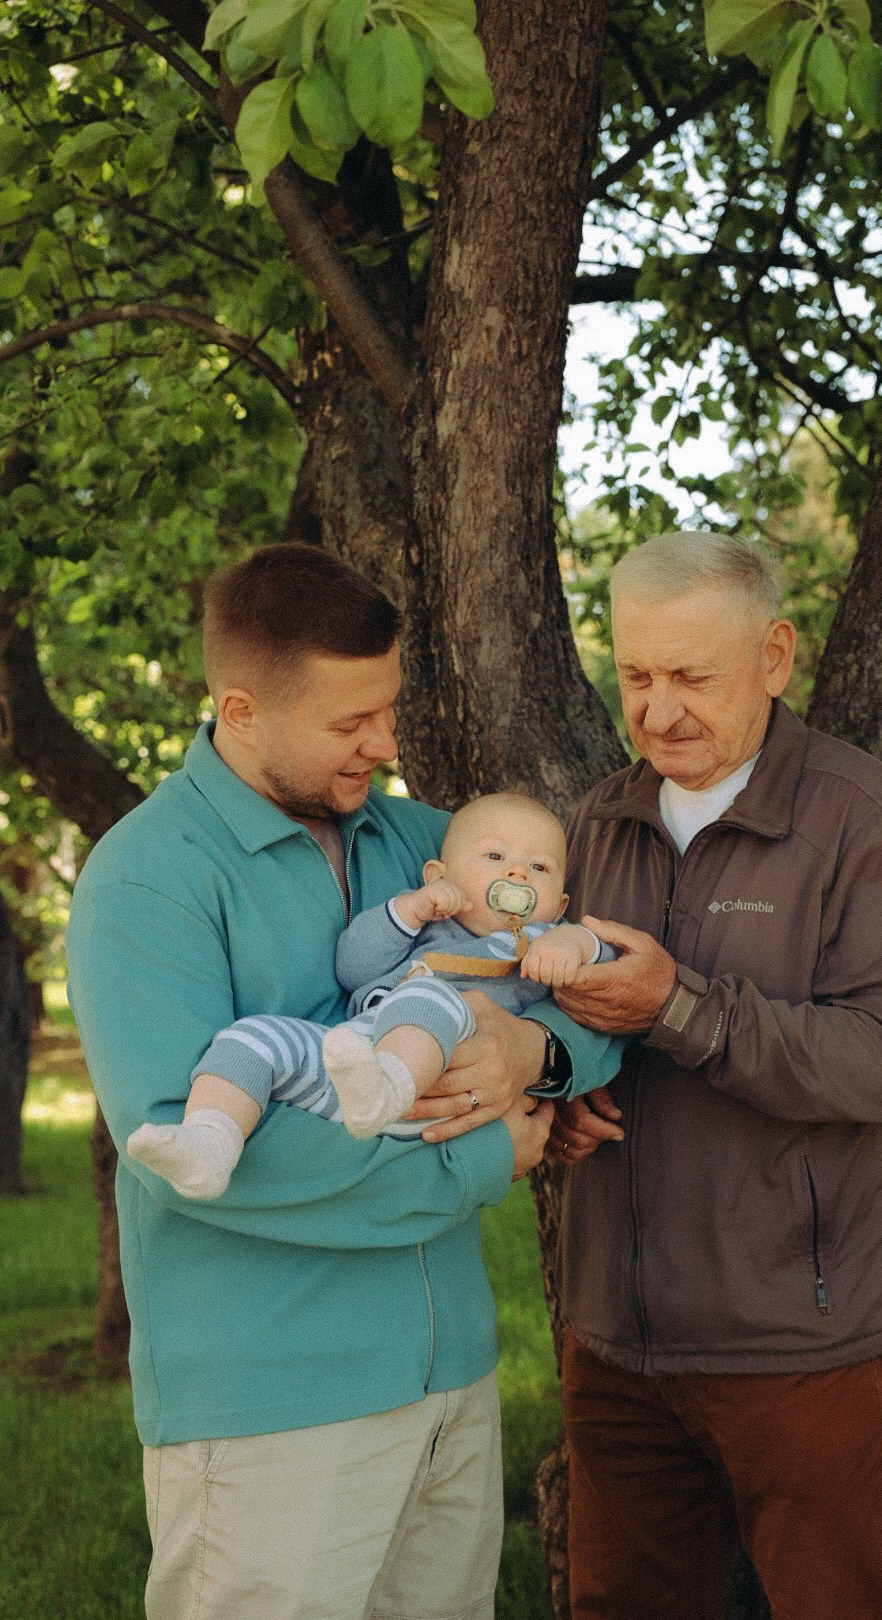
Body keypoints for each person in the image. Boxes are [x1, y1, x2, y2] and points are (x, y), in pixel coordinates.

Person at [65, 543, 621, 1620]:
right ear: (242, 710)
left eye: (391, 708)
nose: (388, 743)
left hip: (450, 1380)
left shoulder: (427, 845)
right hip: (268, 1409)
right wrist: (477, 1162)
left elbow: (573, 994)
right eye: (350, 723)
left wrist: (537, 1062)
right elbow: (201, 1153)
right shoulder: (143, 880)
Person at [547, 531, 882, 1620]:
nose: (659, 710)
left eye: (693, 677)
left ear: (774, 656)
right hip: (617, 1346)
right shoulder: (598, 820)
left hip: (804, 1347)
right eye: (635, 675)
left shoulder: (860, 820)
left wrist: (682, 1009)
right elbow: (563, 1020)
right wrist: (563, 1095)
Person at [127, 790, 615, 1199]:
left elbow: (610, 976)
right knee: (253, 1038)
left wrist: (578, 941)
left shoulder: (544, 942)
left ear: (561, 903)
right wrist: (409, 911)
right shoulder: (426, 926)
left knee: (432, 998)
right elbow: (353, 969)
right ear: (437, 876)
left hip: (433, 1088)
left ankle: (389, 1084)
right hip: (350, 1065)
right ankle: (210, 1143)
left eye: (540, 867)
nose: (518, 874)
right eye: (494, 857)